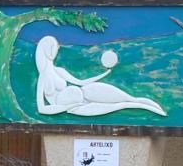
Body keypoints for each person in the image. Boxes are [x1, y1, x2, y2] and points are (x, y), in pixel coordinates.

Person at [34, 35, 167, 117]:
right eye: (51, 48)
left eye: (55, 48)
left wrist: (103, 74)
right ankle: (152, 109)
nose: (54, 52)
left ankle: (157, 108)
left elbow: (80, 82)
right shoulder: (43, 77)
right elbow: (42, 109)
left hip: (86, 91)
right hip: (76, 106)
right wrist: (66, 108)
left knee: (131, 98)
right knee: (122, 105)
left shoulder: (59, 70)